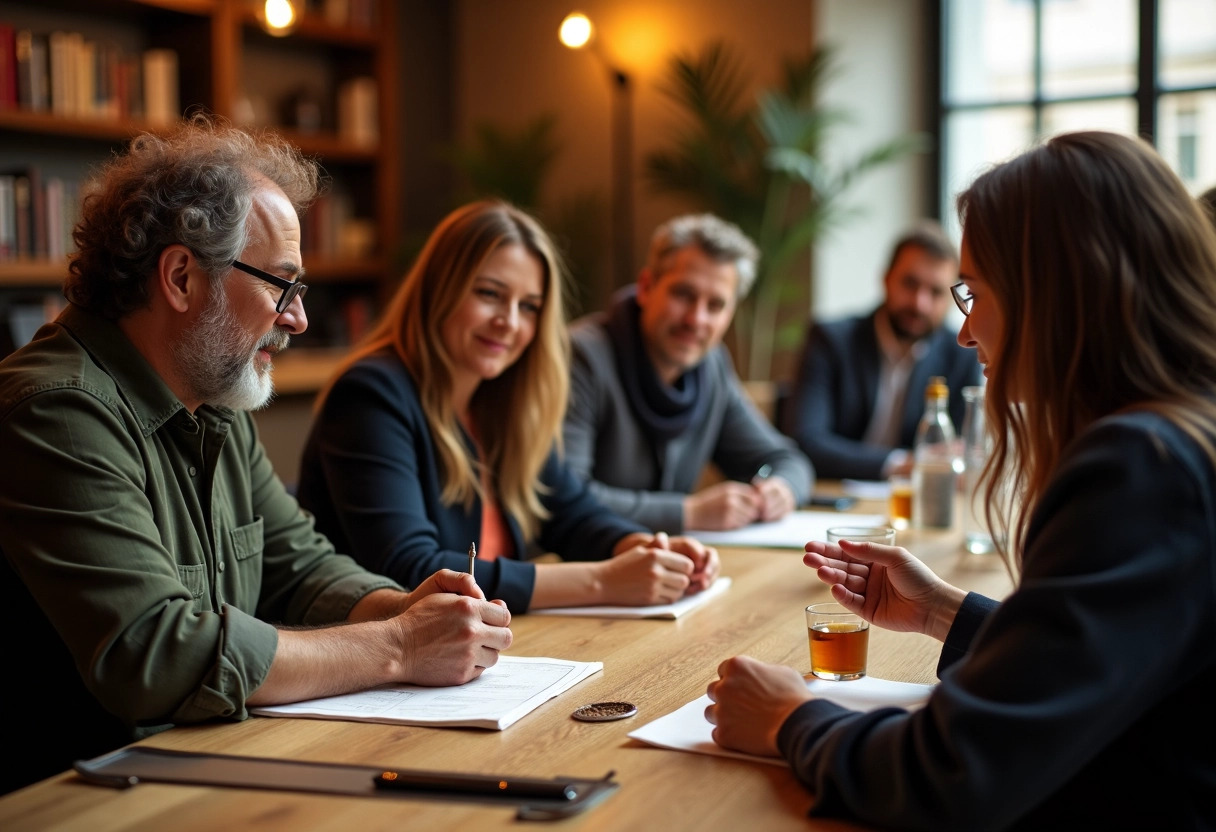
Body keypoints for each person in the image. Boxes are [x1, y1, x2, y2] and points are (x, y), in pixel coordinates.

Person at [704, 131, 1216, 829]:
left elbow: (951, 777)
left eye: (975, 293)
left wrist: (791, 716)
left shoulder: (1140, 469)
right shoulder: (1186, 434)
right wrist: (944, 611)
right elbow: (1096, 661)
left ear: (1056, 291)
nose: (966, 332)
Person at [0, 118, 513, 795]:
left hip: (213, 766)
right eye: (282, 284)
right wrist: (403, 646)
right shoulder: (53, 409)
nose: (297, 317)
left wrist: (402, 608)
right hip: (86, 798)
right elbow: (155, 654)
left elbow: (297, 565)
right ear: (181, 276)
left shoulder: (212, 397)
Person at [295, 200, 719, 614]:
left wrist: (645, 548)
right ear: (439, 289)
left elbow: (570, 511)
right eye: (489, 294)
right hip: (376, 661)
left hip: (484, 651)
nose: (510, 322)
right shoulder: (371, 394)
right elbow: (413, 569)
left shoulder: (500, 401)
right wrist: (603, 581)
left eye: (529, 306)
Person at [562, 213, 814, 533]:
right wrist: (688, 513)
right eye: (683, 295)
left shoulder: (711, 366)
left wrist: (781, 489)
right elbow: (565, 496)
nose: (696, 319)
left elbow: (786, 459)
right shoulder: (581, 357)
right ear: (646, 287)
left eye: (716, 305)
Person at [785, 220, 981, 480]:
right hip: (833, 498)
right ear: (886, 279)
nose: (919, 303)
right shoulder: (831, 340)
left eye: (935, 292)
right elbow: (806, 442)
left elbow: (959, 451)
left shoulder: (962, 355)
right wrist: (902, 464)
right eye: (910, 284)